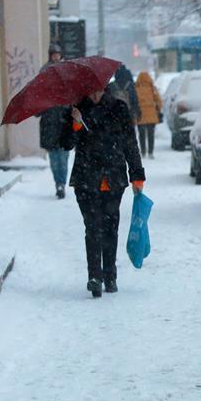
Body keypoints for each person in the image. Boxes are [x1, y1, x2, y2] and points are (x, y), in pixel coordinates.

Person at [64, 84, 145, 298]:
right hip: (85, 178)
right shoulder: (76, 109)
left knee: (110, 227)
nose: (94, 95)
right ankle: (95, 277)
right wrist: (75, 124)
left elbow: (130, 143)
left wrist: (137, 174)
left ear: (105, 89)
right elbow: (66, 144)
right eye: (90, 91)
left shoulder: (119, 108)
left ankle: (110, 275)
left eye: (98, 91)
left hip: (113, 177)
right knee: (92, 227)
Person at [39, 43, 71, 199]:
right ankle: (57, 182)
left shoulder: (68, 70)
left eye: (58, 54)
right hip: (50, 120)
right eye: (53, 54)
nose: (56, 57)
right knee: (54, 157)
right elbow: (37, 93)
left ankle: (62, 183)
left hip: (64, 120)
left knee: (63, 156)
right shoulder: (44, 71)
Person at [134, 71, 163, 158]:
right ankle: (150, 152)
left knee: (141, 134)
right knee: (151, 134)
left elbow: (133, 101)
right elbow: (159, 101)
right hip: (151, 114)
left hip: (140, 115)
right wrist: (158, 109)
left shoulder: (136, 88)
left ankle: (143, 151)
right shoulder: (152, 88)